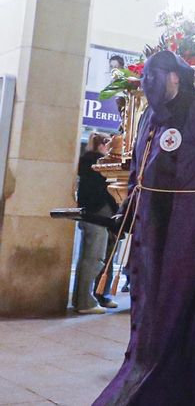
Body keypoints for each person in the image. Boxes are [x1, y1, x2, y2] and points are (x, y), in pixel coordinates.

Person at [94, 51, 195, 406]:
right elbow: (139, 166)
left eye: (154, 75)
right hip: (152, 216)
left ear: (175, 76)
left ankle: (171, 370)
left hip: (188, 217)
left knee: (177, 292)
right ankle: (146, 360)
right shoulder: (149, 115)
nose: (147, 82)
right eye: (145, 76)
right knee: (149, 290)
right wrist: (129, 206)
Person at [75, 133, 118, 313]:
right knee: (94, 258)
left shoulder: (87, 162)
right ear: (103, 145)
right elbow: (103, 192)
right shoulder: (99, 164)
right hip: (98, 215)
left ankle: (95, 296)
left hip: (95, 214)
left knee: (98, 258)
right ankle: (86, 302)